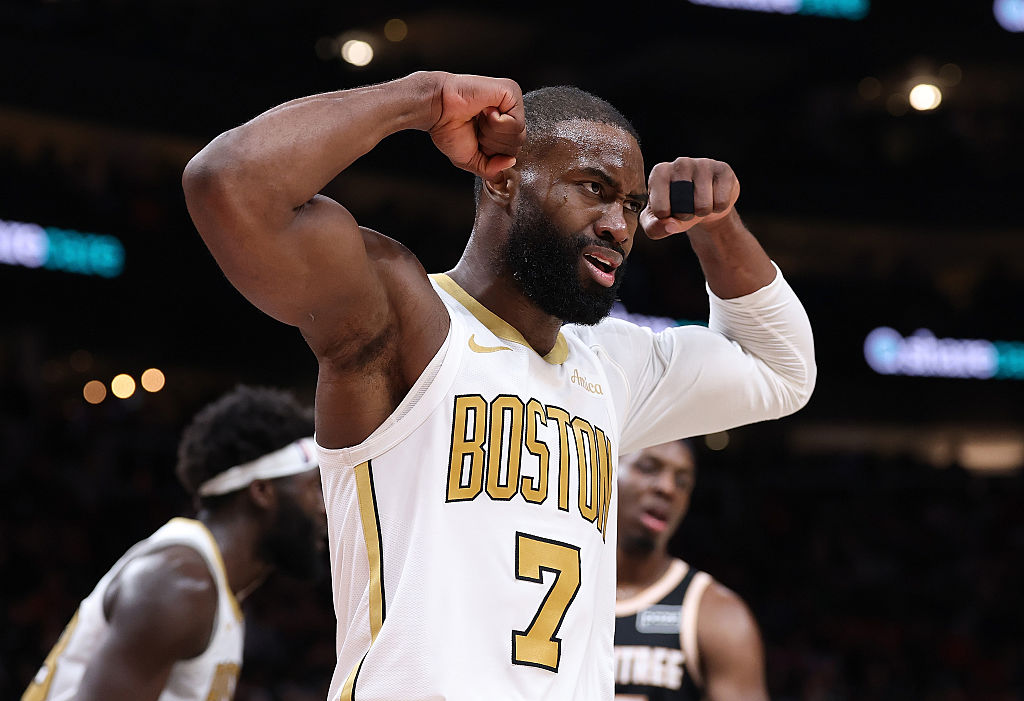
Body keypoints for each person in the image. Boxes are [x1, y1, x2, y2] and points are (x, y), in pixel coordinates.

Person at [181, 71, 816, 700]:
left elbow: (781, 371)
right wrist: (421, 100)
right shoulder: (406, 318)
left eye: (627, 203)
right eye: (592, 189)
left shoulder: (611, 367)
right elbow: (229, 185)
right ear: (503, 175)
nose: (618, 226)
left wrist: (719, 225)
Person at [22, 385, 328, 701]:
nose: (326, 506)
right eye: (315, 487)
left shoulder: (210, 586)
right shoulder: (180, 586)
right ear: (262, 491)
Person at [615, 440, 769, 701]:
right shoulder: (549, 588)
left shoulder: (719, 614)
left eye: (682, 482)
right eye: (648, 468)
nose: (667, 488)